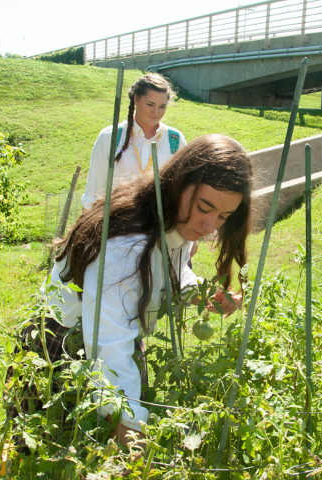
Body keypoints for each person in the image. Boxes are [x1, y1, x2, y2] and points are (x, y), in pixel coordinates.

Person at [47, 134, 252, 444]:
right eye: (205, 207)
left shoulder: (173, 220)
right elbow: (108, 345)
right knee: (60, 449)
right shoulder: (125, 247)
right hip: (65, 351)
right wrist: (128, 424)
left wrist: (197, 292)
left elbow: (168, 269)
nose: (210, 225)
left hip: (114, 344)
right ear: (179, 184)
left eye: (223, 216)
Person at [82, 72, 186, 210]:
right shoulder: (109, 137)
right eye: (150, 104)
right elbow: (93, 194)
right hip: (117, 223)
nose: (156, 112)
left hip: (158, 225)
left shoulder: (176, 140)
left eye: (162, 106)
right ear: (136, 99)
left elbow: (182, 191)